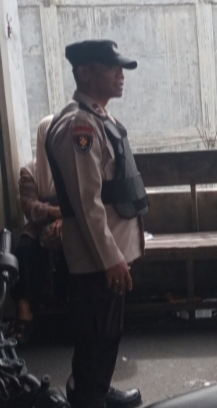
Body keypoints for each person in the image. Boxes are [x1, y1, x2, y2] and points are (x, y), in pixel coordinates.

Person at [46, 40, 148, 408]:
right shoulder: (79, 125)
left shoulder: (101, 118)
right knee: (95, 337)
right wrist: (110, 258)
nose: (121, 75)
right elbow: (86, 203)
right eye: (112, 67)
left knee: (108, 333)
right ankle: (88, 397)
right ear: (86, 73)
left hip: (111, 253)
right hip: (96, 260)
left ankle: (97, 390)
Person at [11, 115, 67, 345]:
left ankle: (71, 310)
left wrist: (66, 219)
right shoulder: (30, 171)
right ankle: (25, 312)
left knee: (73, 246)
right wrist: (55, 213)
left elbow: (83, 198)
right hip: (40, 224)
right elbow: (30, 206)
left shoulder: (73, 168)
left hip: (70, 223)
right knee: (24, 249)